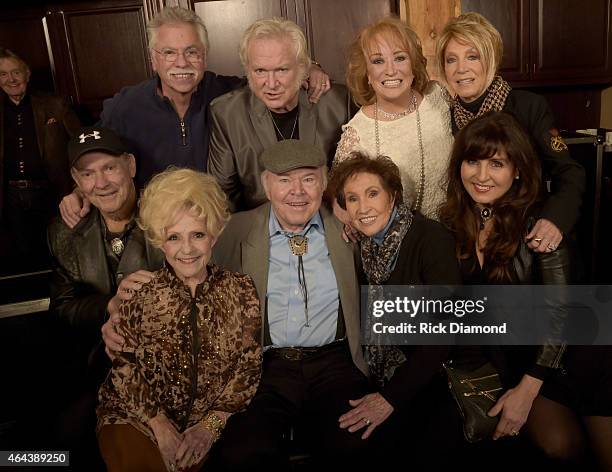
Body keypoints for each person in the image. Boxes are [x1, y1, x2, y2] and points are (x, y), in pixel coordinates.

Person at [103, 139, 369, 470]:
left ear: (324, 184)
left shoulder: (352, 226)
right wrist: (116, 307)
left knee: (355, 445)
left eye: (308, 179)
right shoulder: (233, 229)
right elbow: (173, 253)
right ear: (266, 185)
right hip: (267, 366)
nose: (296, 192)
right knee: (243, 452)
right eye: (284, 180)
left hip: (334, 364)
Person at [439, 111, 611, 470]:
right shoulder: (453, 222)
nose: (482, 176)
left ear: (517, 170)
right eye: (473, 161)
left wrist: (527, 389)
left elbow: (560, 316)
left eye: (497, 164)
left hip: (579, 354)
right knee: (558, 445)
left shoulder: (541, 223)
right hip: (522, 357)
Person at [59, 7, 331, 226]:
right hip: (154, 232)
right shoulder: (125, 106)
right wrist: (78, 191)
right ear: (153, 59)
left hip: (217, 225)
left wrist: (310, 69)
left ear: (204, 55)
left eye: (191, 52)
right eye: (169, 53)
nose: (181, 63)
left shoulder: (227, 94)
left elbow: (271, 74)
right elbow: (92, 155)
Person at [96, 167, 261, 472]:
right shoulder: (140, 292)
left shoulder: (241, 289)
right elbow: (123, 368)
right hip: (137, 418)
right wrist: (159, 425)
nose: (187, 249)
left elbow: (247, 368)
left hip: (205, 425)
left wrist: (210, 426)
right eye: (174, 237)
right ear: (160, 241)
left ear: (214, 234)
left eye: (197, 234)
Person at [328, 153, 462, 467]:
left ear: (393, 196)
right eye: (352, 199)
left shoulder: (429, 238)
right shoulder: (360, 247)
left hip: (436, 373)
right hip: (380, 373)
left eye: (372, 194)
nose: (362, 208)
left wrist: (391, 398)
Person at [47, 126, 164, 466]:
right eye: (88, 174)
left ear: (130, 165)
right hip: (94, 366)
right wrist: (109, 305)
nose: (101, 183)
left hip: (161, 362)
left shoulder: (168, 216)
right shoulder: (62, 232)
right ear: (76, 180)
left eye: (109, 168)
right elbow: (63, 306)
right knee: (61, 443)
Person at [437, 12, 585, 254]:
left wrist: (554, 219)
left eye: (472, 57)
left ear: (491, 59)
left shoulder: (528, 107)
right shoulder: (445, 116)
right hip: (471, 238)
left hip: (522, 237)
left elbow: (570, 172)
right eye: (451, 60)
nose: (460, 69)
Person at [208, 17, 351, 213]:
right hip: (261, 228)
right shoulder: (227, 113)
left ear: (302, 67)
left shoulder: (338, 103)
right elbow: (222, 195)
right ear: (247, 71)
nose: (271, 83)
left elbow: (355, 179)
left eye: (282, 70)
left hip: (328, 222)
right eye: (260, 71)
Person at [332, 17, 454, 221]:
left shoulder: (439, 97)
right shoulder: (358, 132)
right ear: (367, 74)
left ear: (413, 65)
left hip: (457, 232)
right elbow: (339, 198)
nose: (390, 70)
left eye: (399, 58)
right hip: (398, 245)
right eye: (378, 61)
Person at [0, 47, 80, 272]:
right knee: (22, 258)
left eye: (15, 72)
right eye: (3, 74)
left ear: (27, 75)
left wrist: (78, 186)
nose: (11, 79)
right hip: (11, 197)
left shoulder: (54, 104)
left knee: (60, 253)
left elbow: (81, 144)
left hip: (52, 191)